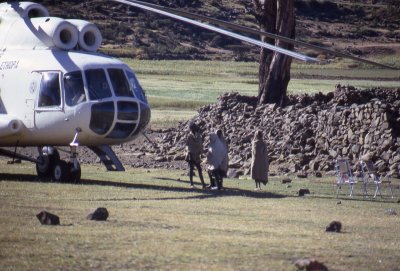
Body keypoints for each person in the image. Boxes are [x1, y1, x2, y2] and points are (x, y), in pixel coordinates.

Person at [185, 122, 206, 188]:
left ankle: (200, 184)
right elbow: (199, 145)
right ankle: (196, 184)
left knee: (196, 169)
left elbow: (188, 145)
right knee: (194, 169)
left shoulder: (193, 136)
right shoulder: (192, 136)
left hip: (194, 154)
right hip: (193, 154)